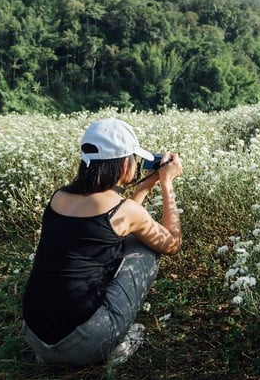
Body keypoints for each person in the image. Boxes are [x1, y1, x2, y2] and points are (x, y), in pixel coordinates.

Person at [21, 117, 182, 366]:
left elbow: (120, 224)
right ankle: (114, 347)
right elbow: (172, 243)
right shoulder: (122, 211)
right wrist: (167, 183)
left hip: (35, 337)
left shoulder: (59, 197)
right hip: (84, 343)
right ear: (121, 164)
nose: (136, 165)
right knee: (145, 250)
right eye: (134, 159)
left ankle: (56, 355)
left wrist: (146, 186)